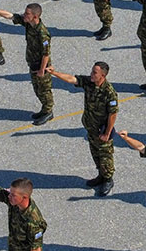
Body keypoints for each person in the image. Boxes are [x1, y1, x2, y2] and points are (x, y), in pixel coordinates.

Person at [49, 62, 118, 196]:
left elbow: (113, 115)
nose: (91, 74)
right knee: (95, 153)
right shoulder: (89, 82)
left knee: (105, 157)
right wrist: (54, 73)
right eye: (92, 71)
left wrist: (107, 133)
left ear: (103, 75)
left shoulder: (109, 93)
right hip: (91, 128)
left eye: (94, 73)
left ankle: (108, 179)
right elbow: (72, 79)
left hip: (102, 131)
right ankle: (101, 175)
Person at [0, 2, 54, 125]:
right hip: (33, 64)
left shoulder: (43, 34)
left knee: (44, 90)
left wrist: (42, 70)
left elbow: (46, 55)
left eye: (27, 14)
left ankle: (48, 112)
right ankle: (44, 109)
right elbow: (10, 16)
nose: (24, 15)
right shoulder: (29, 23)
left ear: (35, 17)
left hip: (41, 67)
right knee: (37, 89)